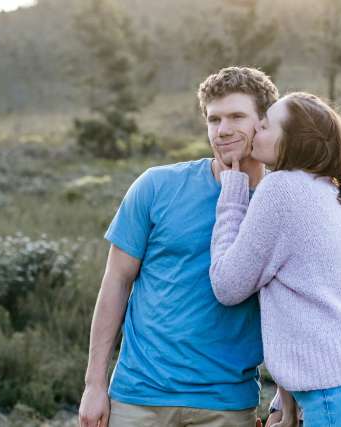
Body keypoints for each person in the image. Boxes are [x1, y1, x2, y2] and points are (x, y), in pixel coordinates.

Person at [78, 66, 280, 427]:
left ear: (263, 123)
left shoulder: (280, 203)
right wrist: (94, 384)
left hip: (226, 403)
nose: (223, 130)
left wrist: (285, 396)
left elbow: (297, 302)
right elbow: (116, 282)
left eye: (237, 116)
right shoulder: (156, 186)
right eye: (214, 119)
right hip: (138, 397)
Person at [209, 92, 341, 426]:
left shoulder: (281, 188)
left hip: (339, 393)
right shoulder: (336, 194)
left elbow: (227, 285)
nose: (256, 132)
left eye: (266, 126)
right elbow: (305, 313)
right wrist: (283, 403)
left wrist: (233, 197)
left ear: (292, 141)